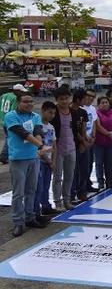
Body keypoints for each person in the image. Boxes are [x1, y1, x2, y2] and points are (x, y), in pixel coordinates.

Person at [6, 92, 49, 237]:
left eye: (31, 101)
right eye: (25, 101)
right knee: (18, 193)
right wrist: (41, 146)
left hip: (33, 158)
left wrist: (39, 144)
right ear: (18, 102)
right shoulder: (11, 116)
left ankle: (30, 217)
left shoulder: (35, 116)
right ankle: (18, 222)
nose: (29, 103)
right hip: (18, 159)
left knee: (31, 190)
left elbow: (37, 131)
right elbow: (23, 133)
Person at [50, 86, 87, 211]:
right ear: (56, 100)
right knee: (57, 177)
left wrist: (81, 142)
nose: (64, 101)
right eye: (61, 99)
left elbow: (76, 130)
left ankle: (67, 200)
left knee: (69, 176)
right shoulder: (54, 113)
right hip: (58, 149)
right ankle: (58, 202)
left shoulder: (73, 112)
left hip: (71, 148)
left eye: (66, 99)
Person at [35, 102, 58, 217]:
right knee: (39, 186)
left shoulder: (51, 127)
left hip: (49, 160)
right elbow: (38, 145)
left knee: (46, 185)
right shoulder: (37, 125)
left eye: (54, 113)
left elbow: (54, 145)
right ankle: (37, 210)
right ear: (43, 111)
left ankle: (46, 206)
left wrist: (53, 160)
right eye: (50, 112)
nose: (52, 115)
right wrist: (48, 160)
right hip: (40, 159)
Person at [94, 96, 112, 189]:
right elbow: (98, 126)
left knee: (109, 162)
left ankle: (109, 181)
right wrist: (108, 133)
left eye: (106, 102)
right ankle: (100, 182)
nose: (105, 104)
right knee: (99, 163)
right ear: (98, 105)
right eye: (102, 102)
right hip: (99, 142)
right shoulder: (96, 113)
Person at [0, 84, 26, 164]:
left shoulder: (3, 95)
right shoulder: (15, 98)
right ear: (17, 91)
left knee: (9, 137)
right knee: (10, 138)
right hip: (10, 121)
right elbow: (13, 111)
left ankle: (7, 155)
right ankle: (4, 156)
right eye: (21, 92)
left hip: (3, 119)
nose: (23, 94)